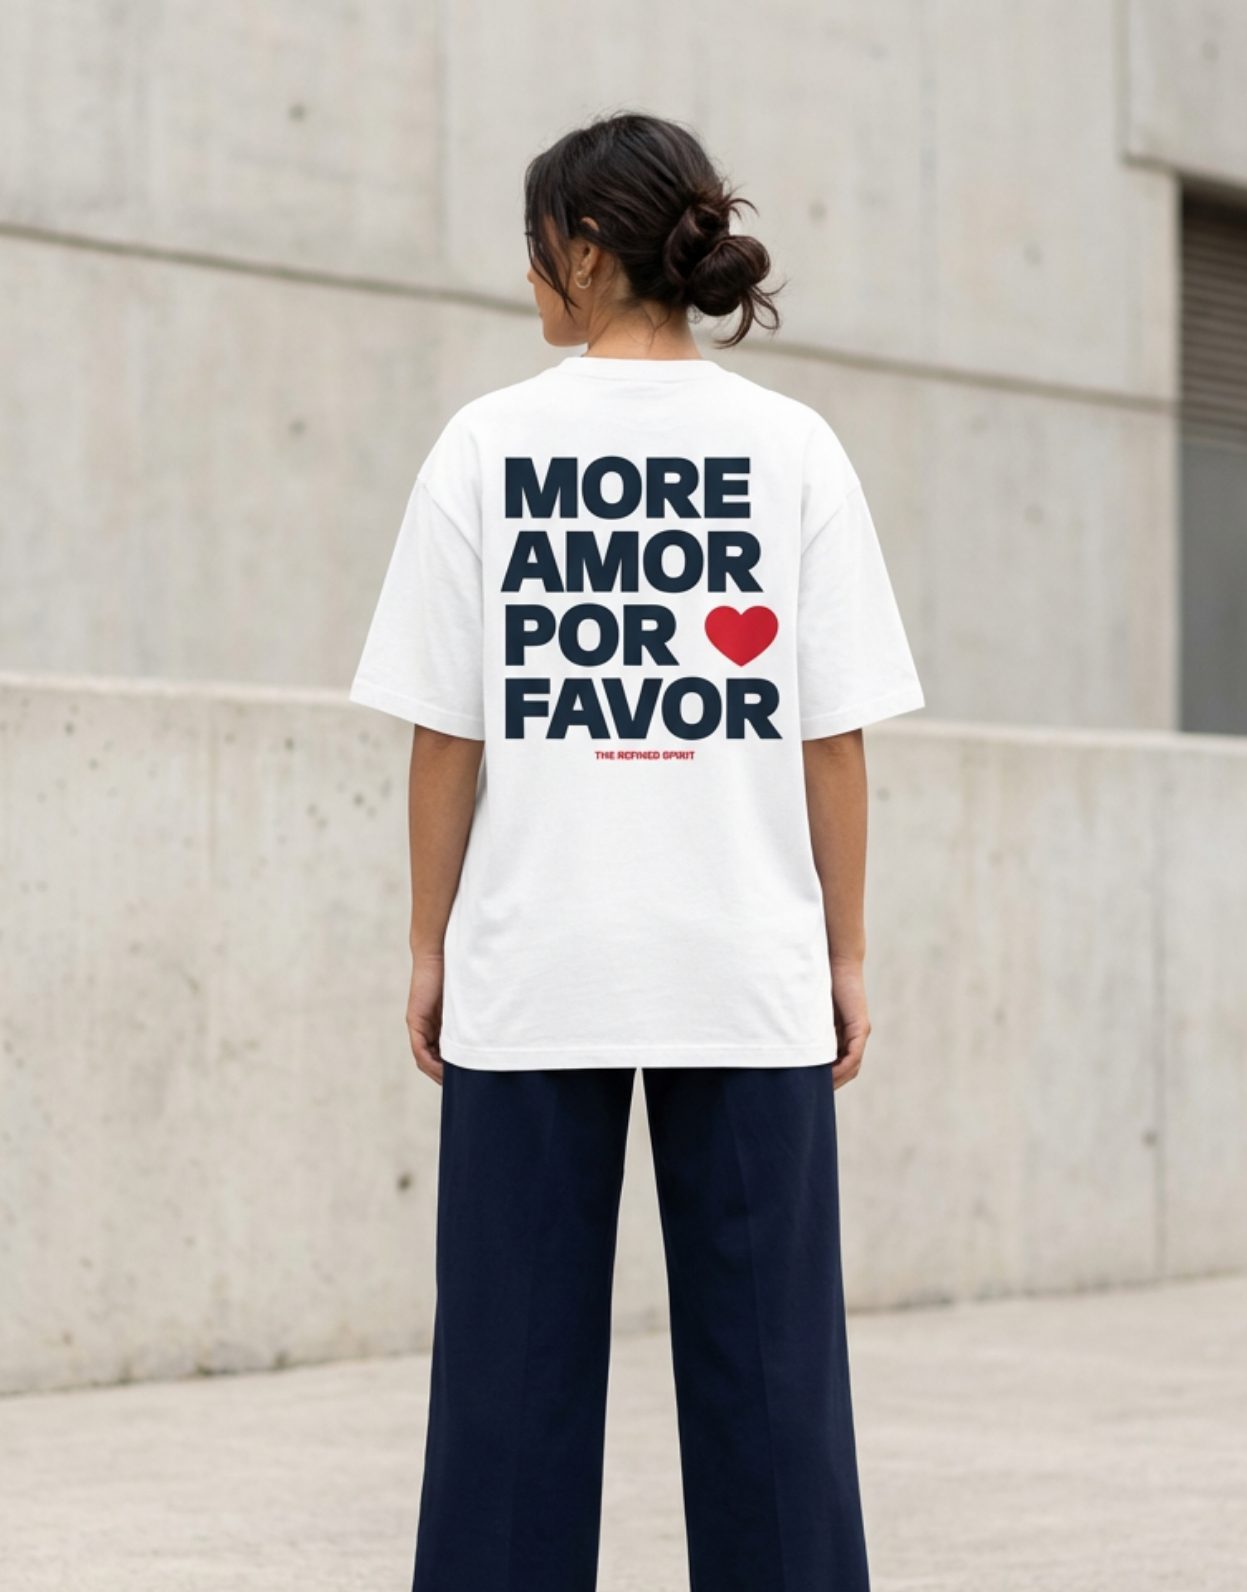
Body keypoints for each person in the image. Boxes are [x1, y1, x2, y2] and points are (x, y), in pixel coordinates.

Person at [351, 111, 923, 1592]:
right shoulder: (791, 447)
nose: (528, 281)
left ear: (586, 253)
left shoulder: (487, 446)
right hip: (745, 967)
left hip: (536, 965)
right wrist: (844, 955)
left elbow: (445, 734)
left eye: (535, 251)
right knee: (777, 1391)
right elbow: (834, 736)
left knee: (507, 1398)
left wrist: (427, 945)